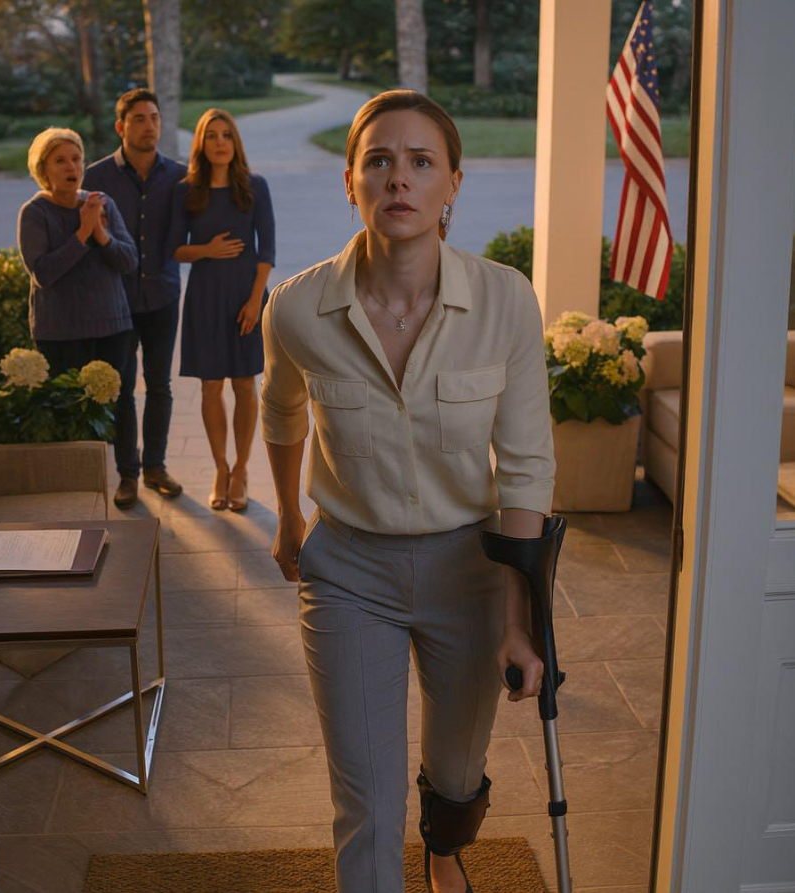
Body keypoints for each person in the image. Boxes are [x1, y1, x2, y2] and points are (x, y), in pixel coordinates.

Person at [260, 91, 555, 893]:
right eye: (379, 161)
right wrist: (287, 517)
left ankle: (445, 844)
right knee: (366, 796)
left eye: (422, 162)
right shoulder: (297, 307)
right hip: (350, 571)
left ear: (453, 182)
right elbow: (281, 410)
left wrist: (520, 618)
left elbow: (526, 465)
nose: (399, 178)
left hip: (473, 569)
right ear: (350, 182)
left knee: (457, 773)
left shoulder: (505, 301)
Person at [84, 88, 188, 509]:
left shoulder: (180, 175)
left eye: (154, 117)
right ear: (120, 126)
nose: (150, 126)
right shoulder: (96, 177)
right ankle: (127, 474)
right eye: (139, 119)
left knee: (160, 385)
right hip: (117, 301)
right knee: (122, 388)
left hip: (163, 295)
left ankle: (156, 467)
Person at [168, 109, 275, 511]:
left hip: (246, 293)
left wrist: (256, 301)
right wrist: (207, 250)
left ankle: (241, 469)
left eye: (226, 135)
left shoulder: (255, 186)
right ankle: (220, 468)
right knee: (210, 386)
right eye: (211, 135)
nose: (219, 143)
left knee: (245, 384)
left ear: (235, 142)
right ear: (201, 143)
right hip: (205, 296)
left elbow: (267, 251)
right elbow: (176, 249)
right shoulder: (187, 190)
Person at [19, 127, 136, 383]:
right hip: (61, 334)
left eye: (76, 158)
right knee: (69, 407)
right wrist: (82, 233)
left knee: (116, 403)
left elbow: (128, 262)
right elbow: (43, 274)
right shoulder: (35, 213)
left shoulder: (101, 203)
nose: (71, 167)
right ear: (43, 169)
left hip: (112, 327)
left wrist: (101, 235)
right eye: (60, 161)